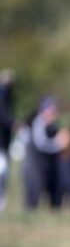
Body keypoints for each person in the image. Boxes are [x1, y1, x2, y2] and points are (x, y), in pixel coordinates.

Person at [23, 97, 63, 211]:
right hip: (34, 165)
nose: (54, 115)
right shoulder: (38, 123)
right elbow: (41, 144)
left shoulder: (53, 125)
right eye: (51, 112)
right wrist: (58, 144)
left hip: (45, 166)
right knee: (33, 194)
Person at [0, 69, 15, 212]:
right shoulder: (4, 95)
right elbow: (5, 115)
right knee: (2, 171)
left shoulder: (7, 95)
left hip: (4, 143)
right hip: (2, 144)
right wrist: (14, 123)